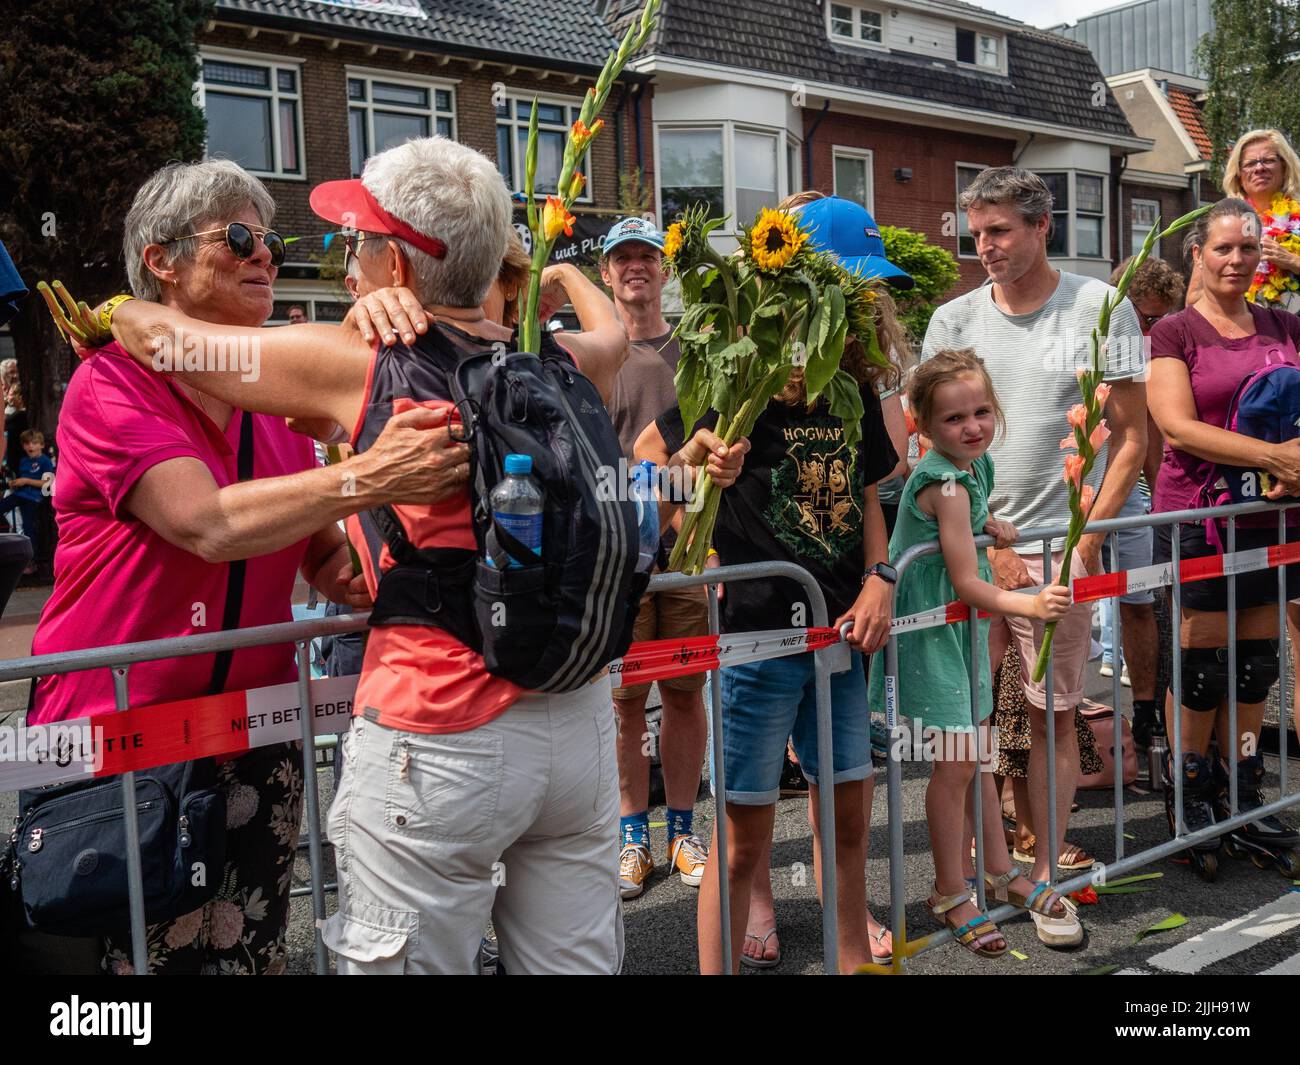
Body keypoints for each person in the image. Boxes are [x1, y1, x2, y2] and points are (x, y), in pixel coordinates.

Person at [97, 135, 744, 974]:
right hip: (573, 723)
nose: (349, 262)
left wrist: (117, 309)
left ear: (397, 266)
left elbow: (164, 340)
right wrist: (543, 278)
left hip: (437, 736)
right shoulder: (556, 359)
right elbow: (615, 333)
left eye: (360, 245)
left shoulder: (355, 362)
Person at [27, 158, 467, 976]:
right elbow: (204, 525)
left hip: (256, 730)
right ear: (161, 261)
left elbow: (328, 557)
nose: (264, 254)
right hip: (122, 736)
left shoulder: (272, 401)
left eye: (271, 239)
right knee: (124, 976)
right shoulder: (110, 383)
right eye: (237, 237)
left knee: (253, 951)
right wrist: (371, 476)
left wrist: (412, 574)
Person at [637, 195, 904, 974]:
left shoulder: (850, 388)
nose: (862, 307)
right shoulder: (731, 376)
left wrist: (880, 577)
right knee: (744, 839)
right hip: (756, 638)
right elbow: (643, 477)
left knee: (850, 821)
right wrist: (696, 461)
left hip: (843, 638)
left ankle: (851, 960)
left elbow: (865, 500)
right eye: (850, 290)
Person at [922, 167, 1147, 945]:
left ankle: (1045, 872)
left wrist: (1085, 537)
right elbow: (932, 443)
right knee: (971, 723)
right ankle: (983, 871)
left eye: (999, 231)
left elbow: (1131, 440)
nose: (982, 246)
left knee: (1052, 716)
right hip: (973, 554)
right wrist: (987, 538)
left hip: (1060, 554)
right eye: (974, 232)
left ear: (1042, 224)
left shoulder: (1099, 307)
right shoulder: (952, 319)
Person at [869, 348, 1074, 956]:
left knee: (977, 751)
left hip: (957, 631)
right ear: (923, 428)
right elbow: (964, 578)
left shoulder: (973, 473)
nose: (973, 426)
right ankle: (950, 889)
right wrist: (1032, 606)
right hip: (932, 633)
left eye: (982, 412)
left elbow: (969, 534)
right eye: (955, 419)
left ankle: (1001, 872)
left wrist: (995, 527)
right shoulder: (946, 482)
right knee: (957, 762)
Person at [1147, 197, 1300, 876]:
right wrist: (1273, 457)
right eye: (1223, 249)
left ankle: (1241, 779)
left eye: (1248, 248)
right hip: (1204, 515)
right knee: (1203, 666)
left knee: (1257, 660)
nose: (1236, 260)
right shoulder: (1175, 332)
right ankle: (1191, 789)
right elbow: (1178, 426)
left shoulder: (1286, 325)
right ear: (1199, 256)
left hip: (1275, 519)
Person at [599, 216, 711, 899]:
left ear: (663, 270)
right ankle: (631, 837)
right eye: (623, 257)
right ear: (606, 273)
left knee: (685, 694)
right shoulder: (588, 351)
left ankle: (683, 828)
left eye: (647, 256)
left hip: (689, 554)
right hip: (616, 556)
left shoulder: (693, 350)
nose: (636, 266)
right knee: (622, 703)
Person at [1094, 257, 1183, 751]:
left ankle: (1147, 714)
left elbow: (1148, 435)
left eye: (1160, 320)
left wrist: (1161, 501)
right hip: (1074, 489)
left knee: (1138, 601)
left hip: (1127, 494)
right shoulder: (1098, 328)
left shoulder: (1147, 350)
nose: (1151, 328)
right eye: (1146, 318)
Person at [1190, 129, 1300, 311]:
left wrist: (1292, 261)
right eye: (1250, 163)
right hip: (1239, 331)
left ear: (1285, 167)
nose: (1259, 168)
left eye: (1269, 160)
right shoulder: (1221, 223)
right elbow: (1194, 298)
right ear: (1239, 175)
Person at [1, 428, 52, 571]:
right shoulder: (23, 461)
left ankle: (31, 562)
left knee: (29, 528)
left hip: (33, 499)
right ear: (23, 446)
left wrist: (26, 481)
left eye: (35, 443)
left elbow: (48, 484)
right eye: (27, 444)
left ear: (41, 445)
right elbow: (22, 481)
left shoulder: (45, 461)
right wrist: (15, 482)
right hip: (19, 495)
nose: (31, 446)